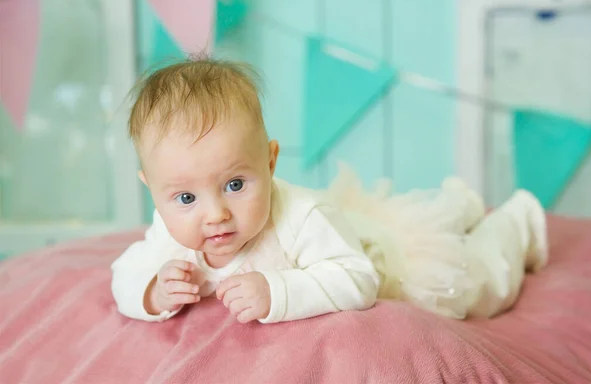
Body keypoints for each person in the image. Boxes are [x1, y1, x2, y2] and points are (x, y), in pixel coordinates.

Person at [111, 57, 548, 324]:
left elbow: (358, 279)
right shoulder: (168, 230)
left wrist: (278, 293)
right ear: (153, 190)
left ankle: (518, 221)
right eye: (186, 198)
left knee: (476, 286)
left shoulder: (303, 217)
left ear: (270, 160)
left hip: (388, 263)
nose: (215, 214)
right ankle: (461, 204)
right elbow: (123, 276)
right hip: (353, 226)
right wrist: (153, 292)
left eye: (235, 185)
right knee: (425, 216)